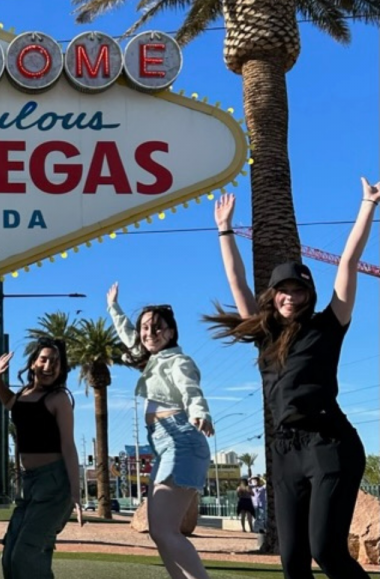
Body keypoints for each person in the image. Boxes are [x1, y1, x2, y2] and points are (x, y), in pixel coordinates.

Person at [206, 184, 378, 579]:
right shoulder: (264, 334)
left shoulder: (328, 325)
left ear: (309, 294)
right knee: (292, 559)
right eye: (284, 290)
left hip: (328, 442)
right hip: (284, 451)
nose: (291, 297)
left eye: (298, 290)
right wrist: (225, 230)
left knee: (327, 550)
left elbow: (348, 263)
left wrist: (367, 205)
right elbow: (237, 281)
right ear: (274, 295)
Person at [108, 283, 213, 579]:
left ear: (171, 331)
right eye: (145, 328)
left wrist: (200, 413)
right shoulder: (153, 360)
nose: (148, 333)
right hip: (165, 444)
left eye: (156, 328)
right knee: (158, 532)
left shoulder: (178, 361)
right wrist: (114, 307)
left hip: (182, 439)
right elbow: (130, 339)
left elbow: (190, 389)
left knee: (167, 531)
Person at [0, 338, 80, 579]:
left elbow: (68, 446)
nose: (48, 365)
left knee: (26, 555)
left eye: (55, 361)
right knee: (10, 553)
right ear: (33, 363)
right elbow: (9, 403)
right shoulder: (23, 395)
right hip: (29, 484)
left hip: (54, 483)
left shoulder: (59, 398)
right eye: (43, 359)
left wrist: (75, 492)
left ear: (61, 368)